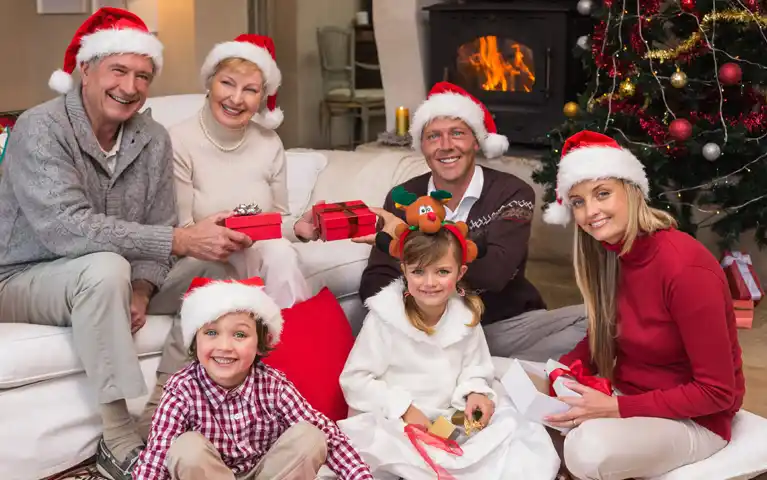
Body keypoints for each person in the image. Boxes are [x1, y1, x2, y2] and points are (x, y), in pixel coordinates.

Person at [0, 8, 250, 479]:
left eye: (143, 76)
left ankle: (160, 416)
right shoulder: (40, 127)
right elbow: (66, 228)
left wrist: (143, 289)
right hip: (19, 277)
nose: (130, 87)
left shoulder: (152, 137)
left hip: (110, 274)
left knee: (215, 273)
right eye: (118, 70)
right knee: (104, 268)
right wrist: (174, 241)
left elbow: (158, 222)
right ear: (86, 70)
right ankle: (116, 438)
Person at [540, 130, 745, 480]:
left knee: (586, 449)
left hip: (695, 421)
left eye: (602, 193)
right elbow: (598, 341)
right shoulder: (610, 255)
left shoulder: (685, 269)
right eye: (578, 201)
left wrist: (616, 407)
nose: (591, 212)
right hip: (627, 396)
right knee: (507, 385)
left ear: (632, 190)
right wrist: (562, 372)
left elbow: (717, 392)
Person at [325, 190, 560, 480]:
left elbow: (476, 369)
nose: (430, 283)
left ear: (460, 273)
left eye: (442, 272)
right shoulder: (385, 318)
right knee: (384, 449)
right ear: (405, 272)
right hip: (396, 421)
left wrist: (475, 393)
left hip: (449, 419)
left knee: (514, 427)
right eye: (419, 272)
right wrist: (404, 409)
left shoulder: (466, 318)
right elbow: (355, 380)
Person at [359, 81, 587, 361]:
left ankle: (485, 372)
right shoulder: (403, 197)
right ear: (422, 146)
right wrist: (417, 323)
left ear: (475, 141)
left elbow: (495, 273)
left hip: (499, 325)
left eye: (457, 133)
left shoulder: (513, 192)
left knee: (594, 321)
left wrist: (405, 238)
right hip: (427, 330)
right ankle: (487, 374)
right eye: (433, 137)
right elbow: (375, 280)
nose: (445, 146)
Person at [133, 277, 374, 480]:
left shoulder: (274, 385)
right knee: (186, 448)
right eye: (211, 333)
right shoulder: (181, 388)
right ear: (195, 341)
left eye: (239, 334)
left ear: (261, 344)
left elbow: (331, 437)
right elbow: (157, 455)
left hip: (267, 474)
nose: (224, 346)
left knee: (311, 435)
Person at [170, 34, 317, 310]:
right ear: (210, 83)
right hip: (202, 262)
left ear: (262, 96)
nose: (236, 99)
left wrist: (297, 228)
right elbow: (183, 232)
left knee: (280, 252)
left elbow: (276, 223)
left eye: (250, 89)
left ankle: (291, 340)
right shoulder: (177, 141)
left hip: (261, 256)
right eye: (227, 83)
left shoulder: (269, 143)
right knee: (270, 255)